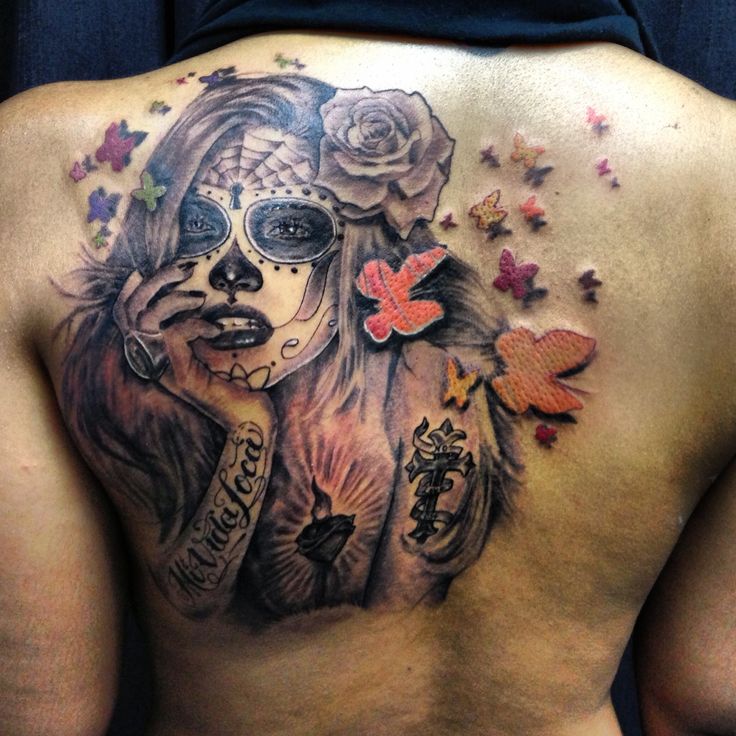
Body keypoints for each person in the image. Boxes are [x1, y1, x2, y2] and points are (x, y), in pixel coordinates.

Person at [0, 12, 734, 736]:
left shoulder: (33, 167)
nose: (230, 272)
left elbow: (39, 715)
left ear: (354, 246)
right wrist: (246, 428)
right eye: (199, 227)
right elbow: (709, 697)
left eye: (287, 228)